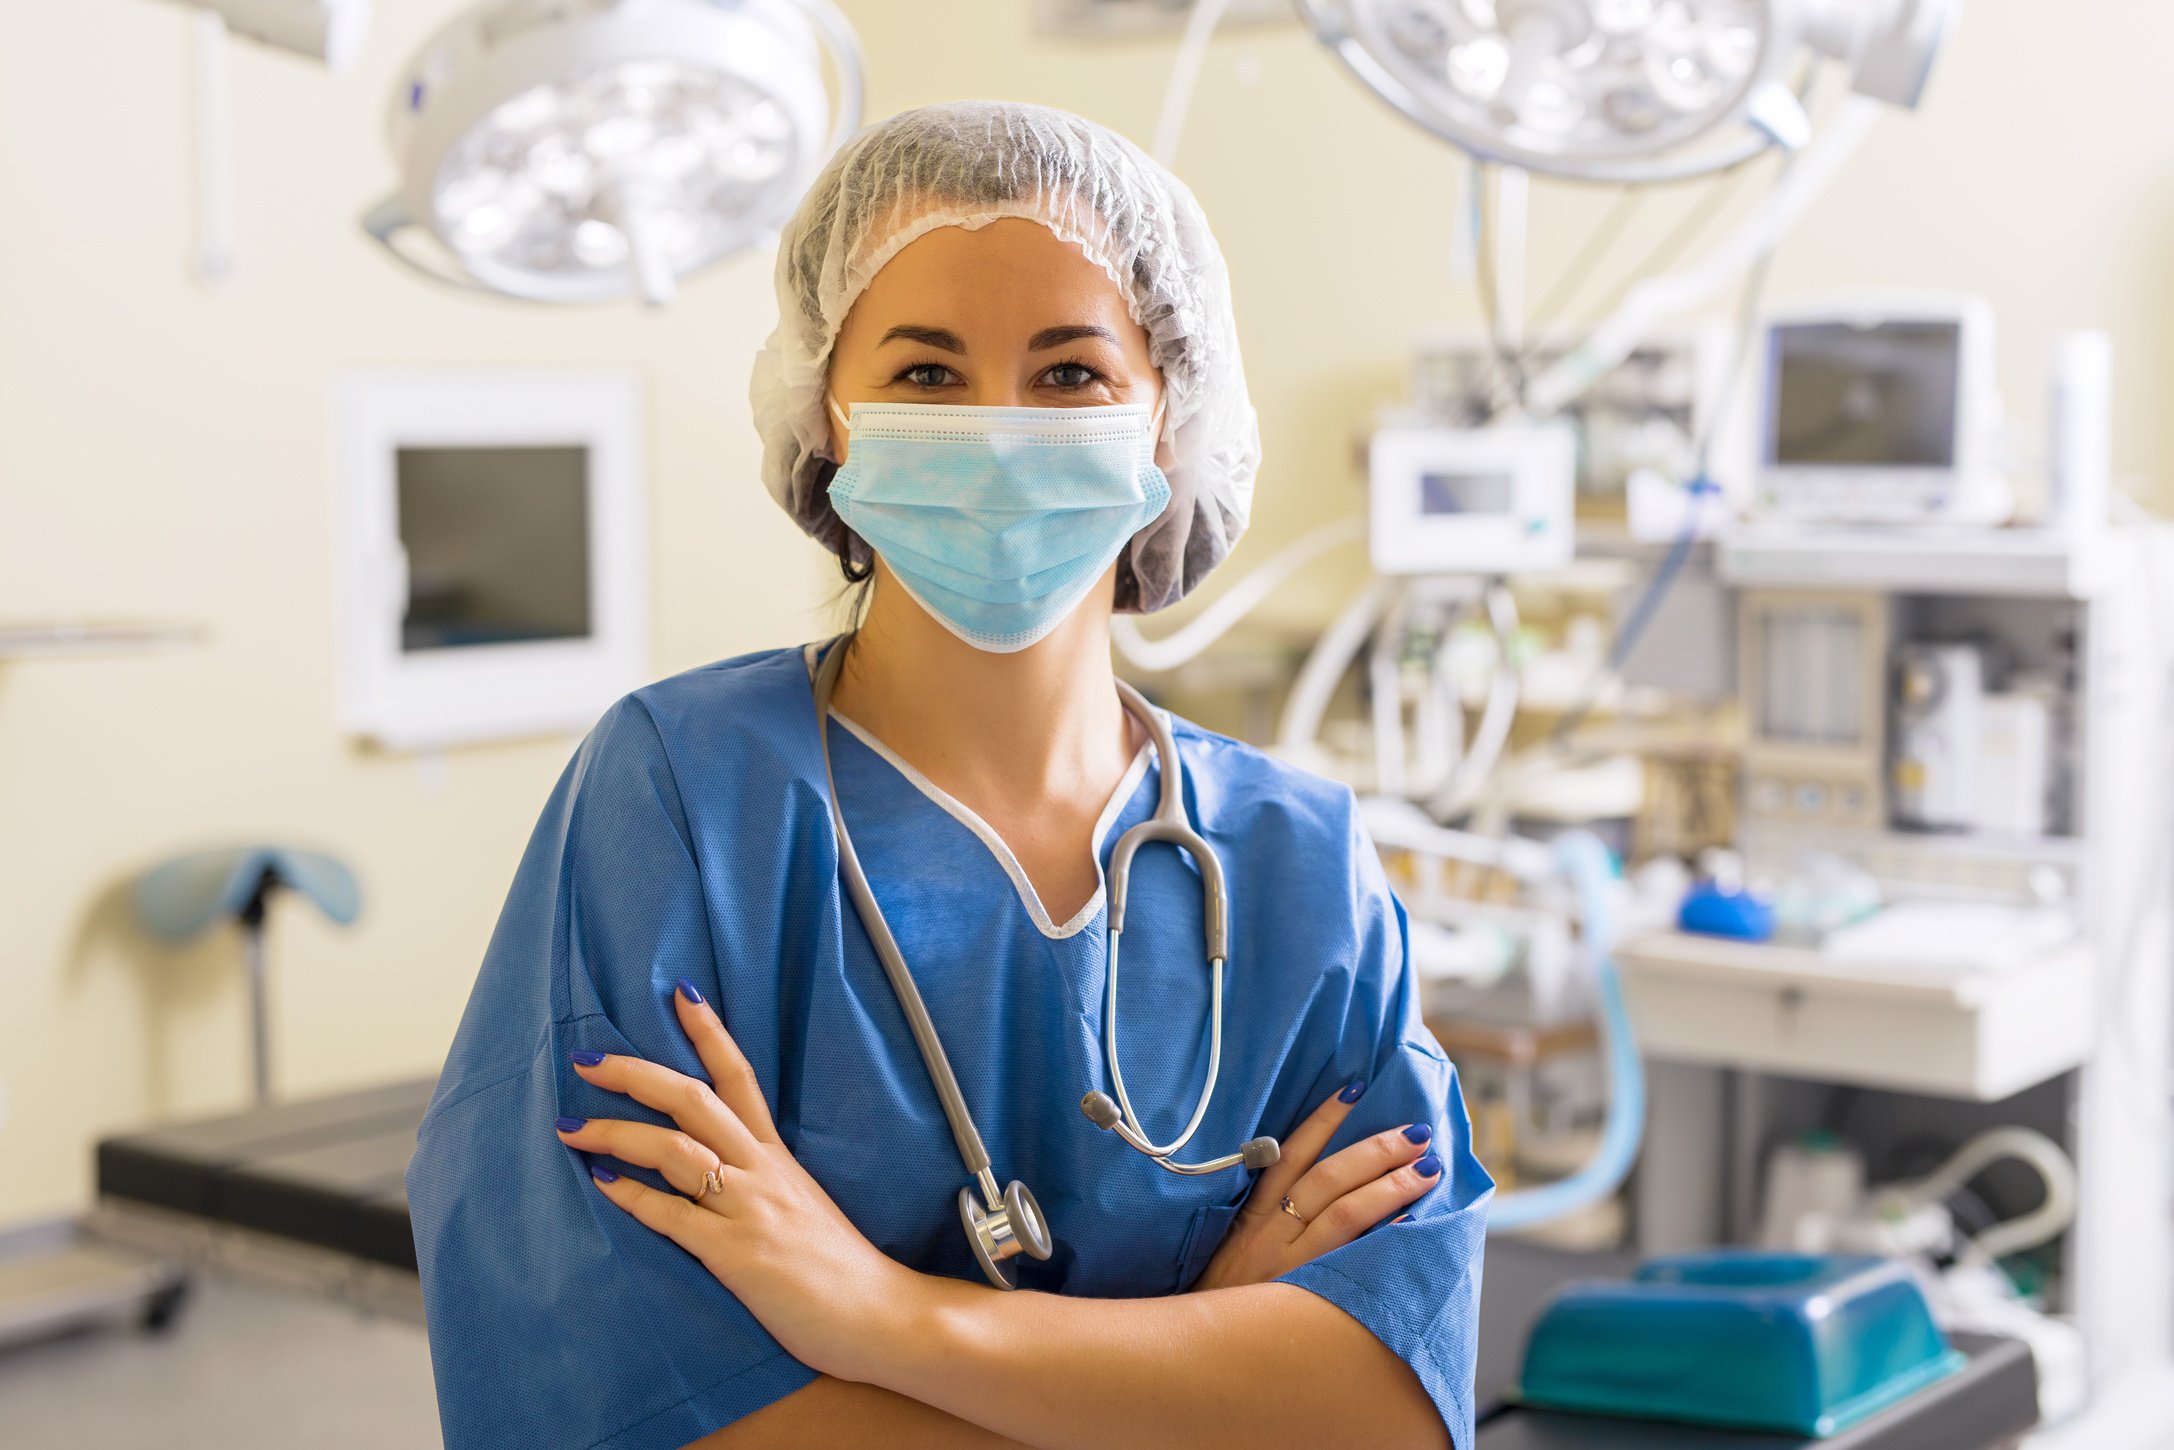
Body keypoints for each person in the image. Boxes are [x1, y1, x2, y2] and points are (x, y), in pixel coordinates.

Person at [406, 100, 1491, 1450]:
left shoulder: (1299, 865)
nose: (997, 430)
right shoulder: (680, 801)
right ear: (828, 417)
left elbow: (1382, 1404)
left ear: (1171, 423)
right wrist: (1194, 1370)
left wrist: (877, 1315)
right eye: (924, 375)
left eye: (1070, 374)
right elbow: (615, 1384)